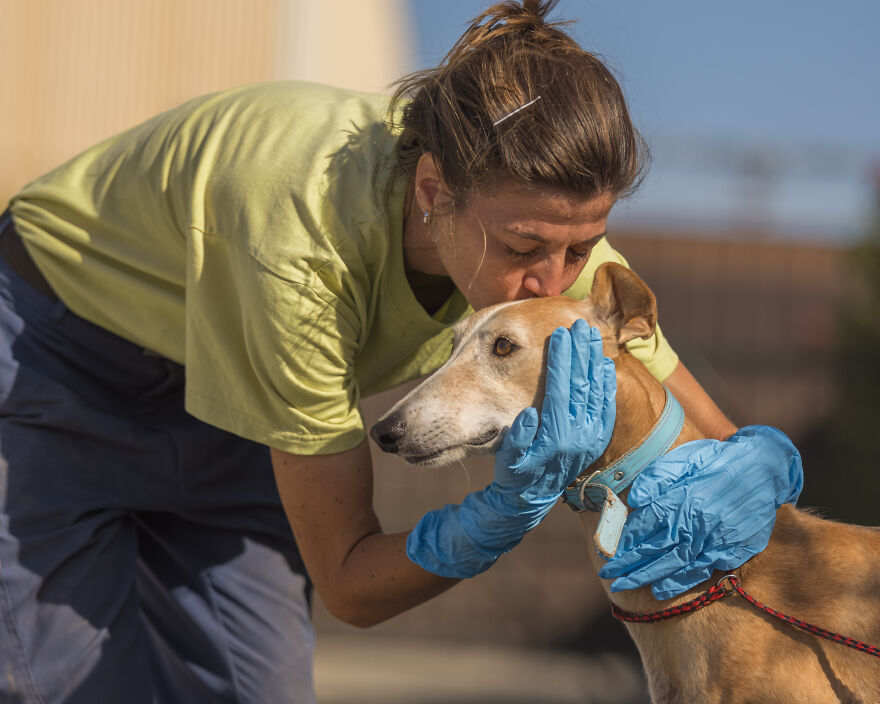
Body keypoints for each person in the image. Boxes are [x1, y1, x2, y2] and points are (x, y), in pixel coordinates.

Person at [0, 1, 802, 702]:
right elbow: (349, 581)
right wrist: (498, 516)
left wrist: (762, 474)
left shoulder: (539, 227)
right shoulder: (297, 251)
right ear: (431, 191)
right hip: (50, 365)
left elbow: (707, 428)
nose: (550, 282)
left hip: (229, 405)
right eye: (530, 247)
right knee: (69, 687)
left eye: (583, 246)